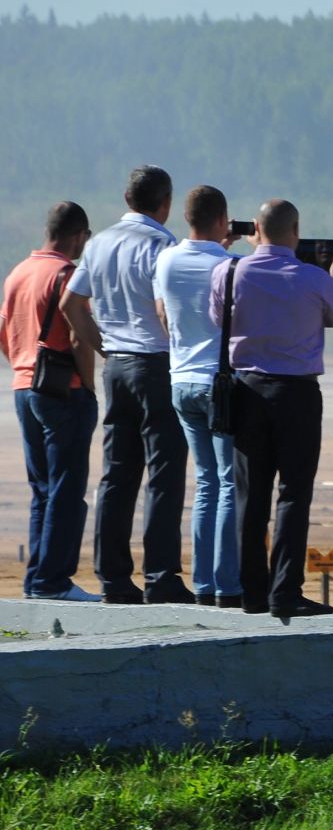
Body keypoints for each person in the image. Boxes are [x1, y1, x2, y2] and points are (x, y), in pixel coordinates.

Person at [208, 198, 333, 619]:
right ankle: (285, 592)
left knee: (250, 497)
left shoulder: (229, 271)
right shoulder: (314, 278)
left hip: (247, 390)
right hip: (296, 394)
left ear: (255, 229)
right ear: (296, 232)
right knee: (293, 496)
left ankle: (253, 593)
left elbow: (214, 319)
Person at [65, 165, 191, 604]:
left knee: (117, 475)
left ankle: (114, 579)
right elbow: (163, 308)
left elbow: (71, 303)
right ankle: (161, 577)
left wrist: (103, 346)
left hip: (116, 365)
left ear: (126, 198)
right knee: (165, 473)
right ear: (166, 203)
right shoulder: (161, 244)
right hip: (154, 363)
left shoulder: (98, 243)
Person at [2, 202, 103, 600]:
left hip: (24, 389)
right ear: (78, 235)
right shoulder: (66, 275)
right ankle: (53, 582)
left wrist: (24, 365)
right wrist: (90, 386)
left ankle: (37, 581)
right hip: (64, 392)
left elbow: (3, 330)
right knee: (66, 489)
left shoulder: (18, 272)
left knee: (42, 489)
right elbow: (79, 337)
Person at [154, 185, 243, 607]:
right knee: (228, 483)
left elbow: (163, 315)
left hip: (180, 379)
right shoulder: (229, 264)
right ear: (223, 220)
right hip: (218, 384)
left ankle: (204, 584)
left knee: (205, 483)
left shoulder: (165, 258)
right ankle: (227, 584)